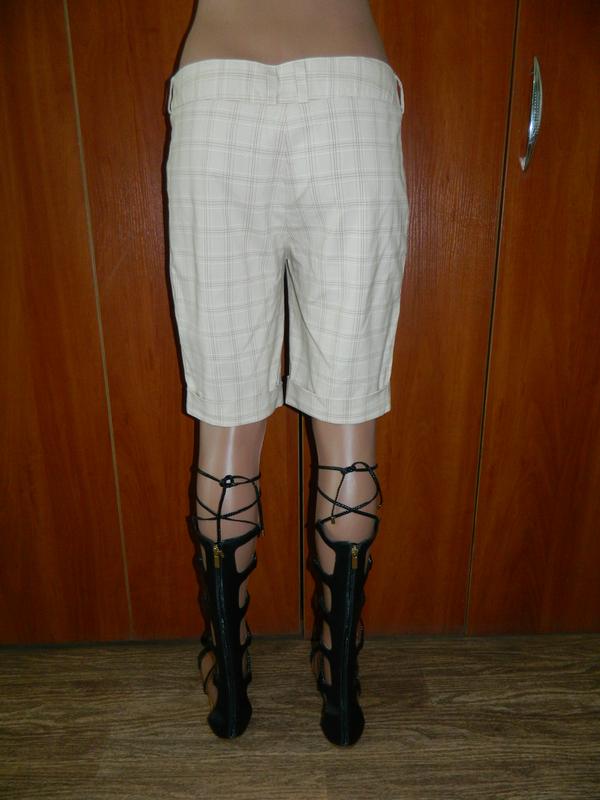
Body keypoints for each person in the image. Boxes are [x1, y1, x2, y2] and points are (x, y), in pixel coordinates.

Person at [165, 0, 409, 746]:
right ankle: (340, 684)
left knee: (226, 431)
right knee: (348, 438)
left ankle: (230, 684)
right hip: (348, 99)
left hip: (219, 95)